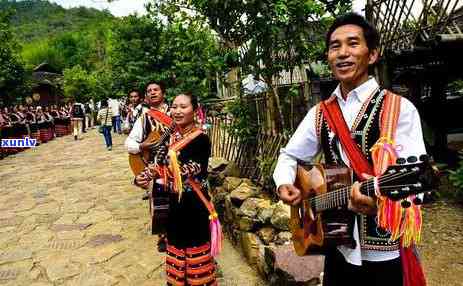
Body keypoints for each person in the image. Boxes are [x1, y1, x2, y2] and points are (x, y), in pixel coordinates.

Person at [273, 13, 427, 286]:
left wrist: (380, 204)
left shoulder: (398, 109)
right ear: (328, 56)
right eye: (335, 46)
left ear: (373, 55)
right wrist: (285, 181)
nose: (343, 53)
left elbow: (414, 192)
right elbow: (290, 154)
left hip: (383, 253)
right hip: (337, 245)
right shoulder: (320, 113)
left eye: (353, 44)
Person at [135, 93, 218, 286]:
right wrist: (143, 176)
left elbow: (192, 168)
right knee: (176, 247)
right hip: (174, 204)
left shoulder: (201, 139)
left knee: (195, 247)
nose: (177, 111)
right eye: (174, 107)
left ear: (195, 110)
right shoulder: (170, 138)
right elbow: (157, 164)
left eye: (183, 107)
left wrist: (162, 172)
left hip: (194, 204)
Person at [125, 80, 171, 252]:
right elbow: (128, 143)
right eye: (149, 90)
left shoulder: (176, 112)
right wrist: (142, 146)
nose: (152, 92)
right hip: (154, 166)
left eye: (156, 89)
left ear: (163, 93)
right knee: (159, 201)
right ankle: (163, 236)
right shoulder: (144, 118)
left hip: (177, 163)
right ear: (146, 96)